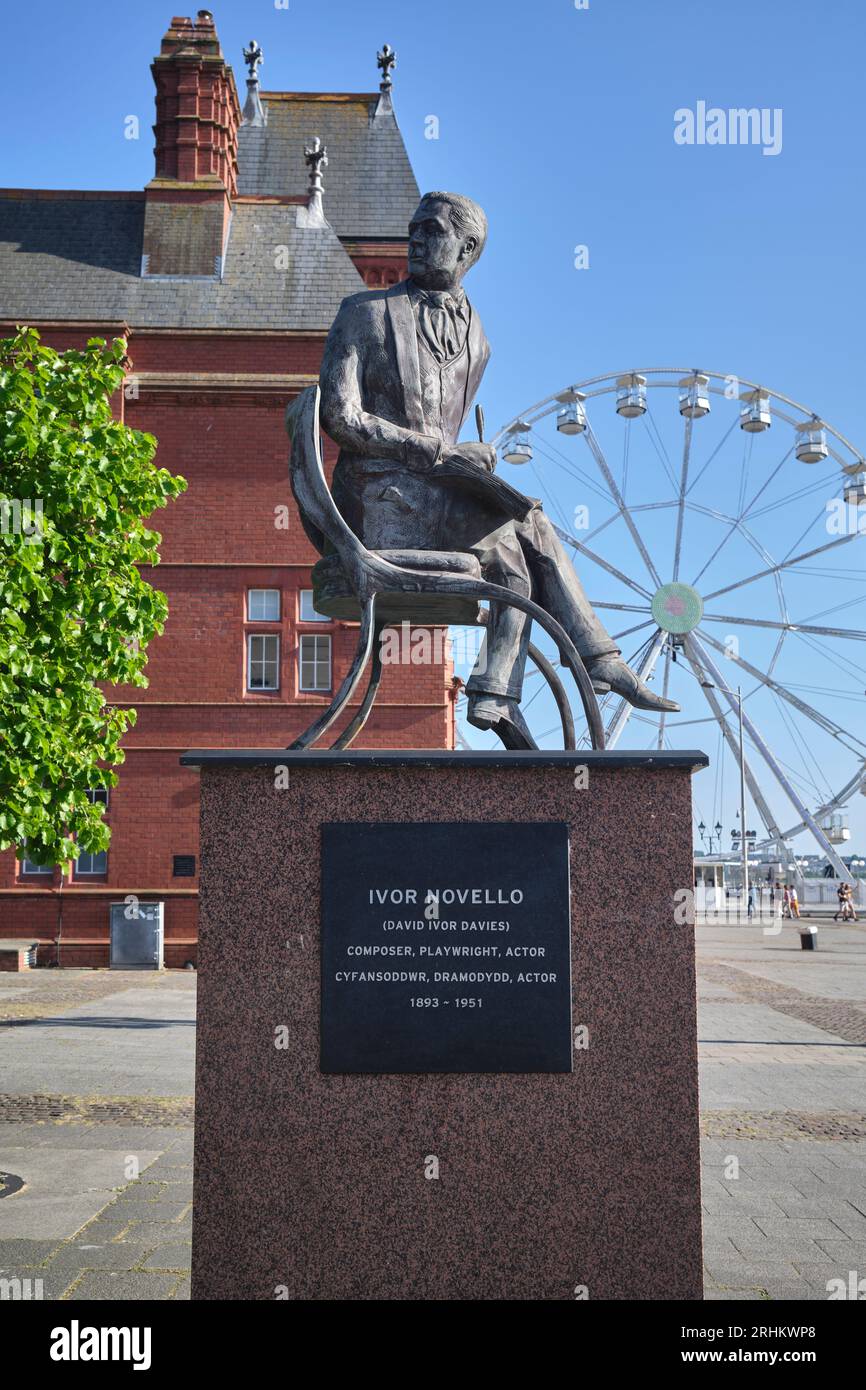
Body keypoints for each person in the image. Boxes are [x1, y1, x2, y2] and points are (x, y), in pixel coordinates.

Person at [318, 190, 679, 750]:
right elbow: (339, 417)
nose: (414, 238)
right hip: (379, 503)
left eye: (431, 230)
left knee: (524, 532)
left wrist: (471, 462)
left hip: (440, 497)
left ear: (467, 250)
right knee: (515, 548)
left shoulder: (478, 340)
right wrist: (437, 453)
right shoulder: (363, 314)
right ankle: (574, 668)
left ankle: (500, 693)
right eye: (413, 228)